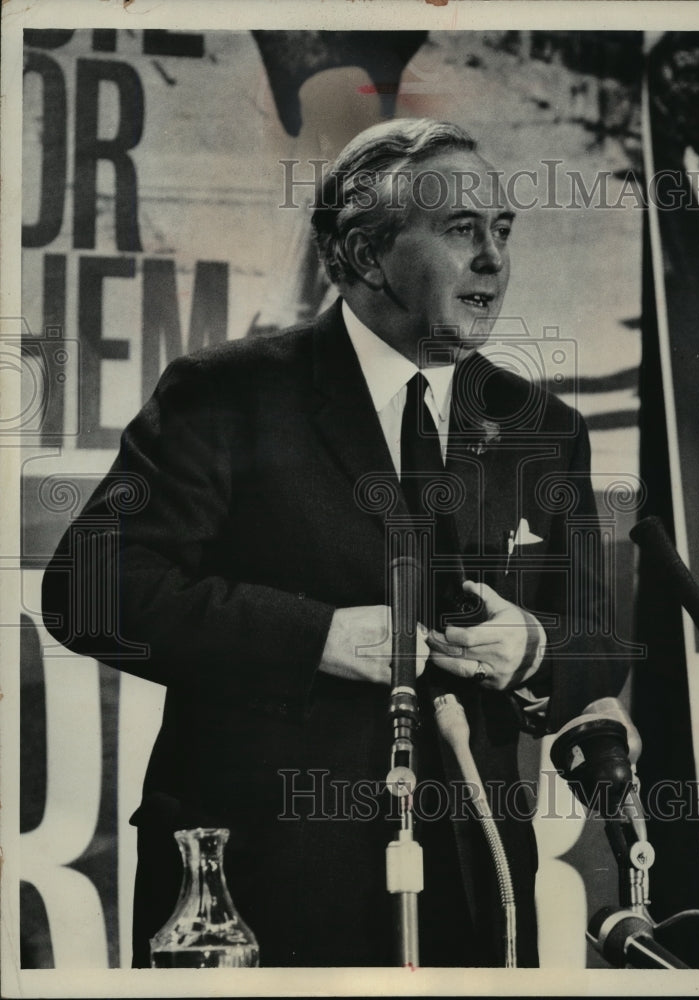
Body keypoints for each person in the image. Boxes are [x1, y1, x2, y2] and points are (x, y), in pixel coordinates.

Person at [42, 118, 619, 968]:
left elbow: (599, 642)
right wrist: (317, 637)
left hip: (475, 894)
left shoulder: (542, 426)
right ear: (366, 253)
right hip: (269, 890)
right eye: (462, 230)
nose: (494, 260)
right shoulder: (225, 394)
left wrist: (533, 646)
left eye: (502, 230)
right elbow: (90, 589)